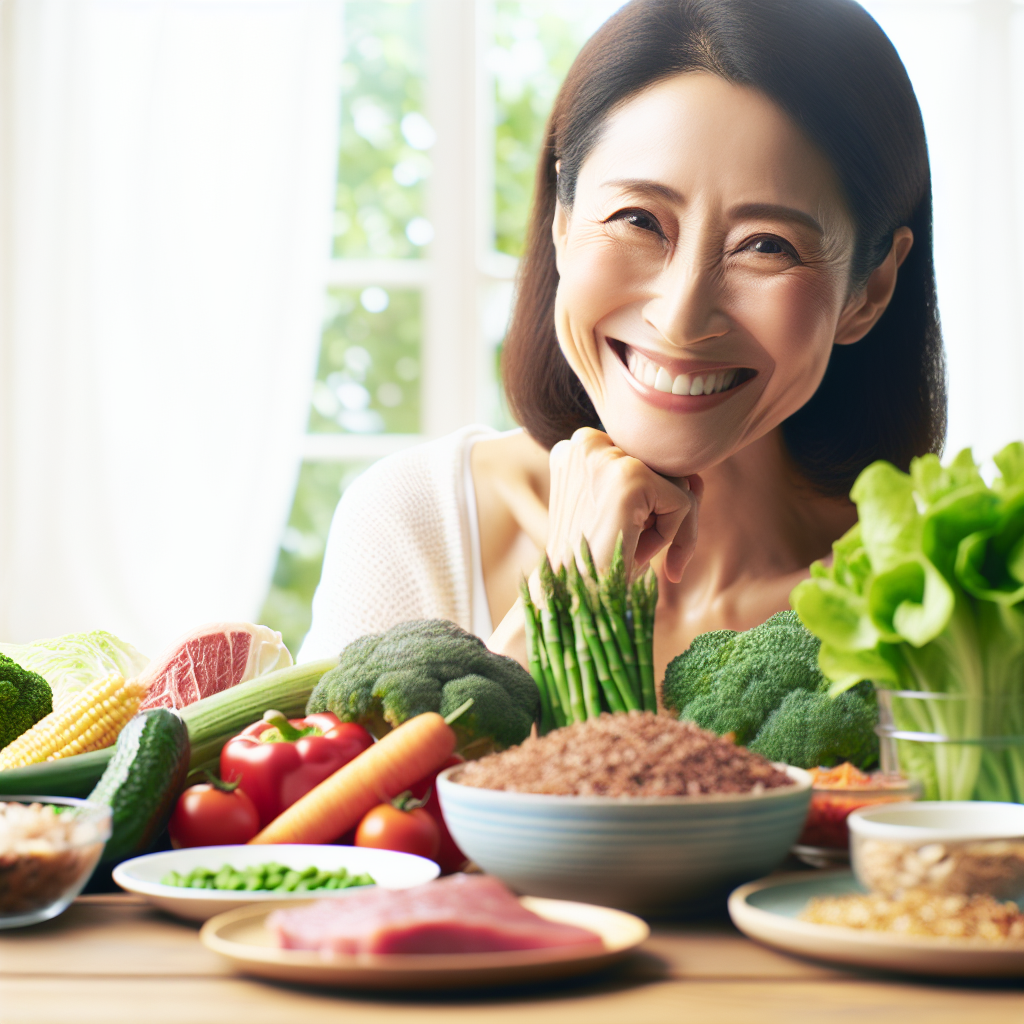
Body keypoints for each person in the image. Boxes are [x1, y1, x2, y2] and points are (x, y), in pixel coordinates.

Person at [299, 0, 945, 692]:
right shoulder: (420, 522)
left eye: (767, 245)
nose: (682, 317)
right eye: (638, 219)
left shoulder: (940, 599)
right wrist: (562, 601)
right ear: (562, 221)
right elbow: (331, 793)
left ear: (869, 289)